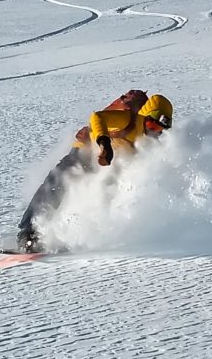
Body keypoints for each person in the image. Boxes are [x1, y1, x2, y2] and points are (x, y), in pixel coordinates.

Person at [16, 90, 175, 252]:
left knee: (99, 196)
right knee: (57, 184)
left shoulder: (148, 140)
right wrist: (103, 143)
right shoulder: (128, 119)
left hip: (105, 166)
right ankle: (28, 232)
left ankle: (68, 235)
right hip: (85, 153)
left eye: (160, 129)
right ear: (145, 116)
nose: (155, 132)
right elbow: (97, 117)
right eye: (152, 125)